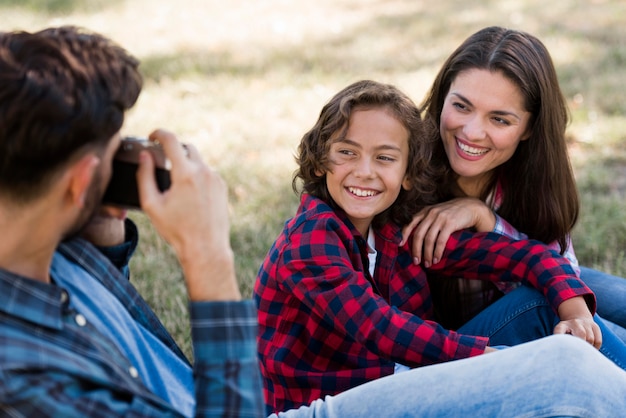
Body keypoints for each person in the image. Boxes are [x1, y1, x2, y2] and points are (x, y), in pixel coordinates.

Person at [3, 25, 626, 418]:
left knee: (568, 309)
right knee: (563, 369)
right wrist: (206, 257)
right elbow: (380, 331)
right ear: (80, 178)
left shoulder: (60, 253)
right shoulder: (24, 375)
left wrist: (105, 218)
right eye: (119, 148)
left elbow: (518, 261)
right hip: (299, 406)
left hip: (381, 370)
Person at [253, 79, 626, 414]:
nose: (365, 170)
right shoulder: (310, 240)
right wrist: (487, 358)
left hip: (402, 380)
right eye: (347, 152)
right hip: (338, 402)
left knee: (541, 304)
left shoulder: (394, 229)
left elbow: (528, 257)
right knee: (559, 371)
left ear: (409, 175)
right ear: (320, 162)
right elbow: (379, 328)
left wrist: (576, 312)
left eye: (384, 158)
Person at [400, 26, 626, 339]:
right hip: (461, 343)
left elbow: (562, 269)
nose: (472, 132)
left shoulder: (530, 176)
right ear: (443, 97)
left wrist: (485, 217)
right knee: (546, 303)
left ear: (529, 129)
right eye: (461, 106)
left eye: (500, 119)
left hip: (519, 294)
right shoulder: (406, 172)